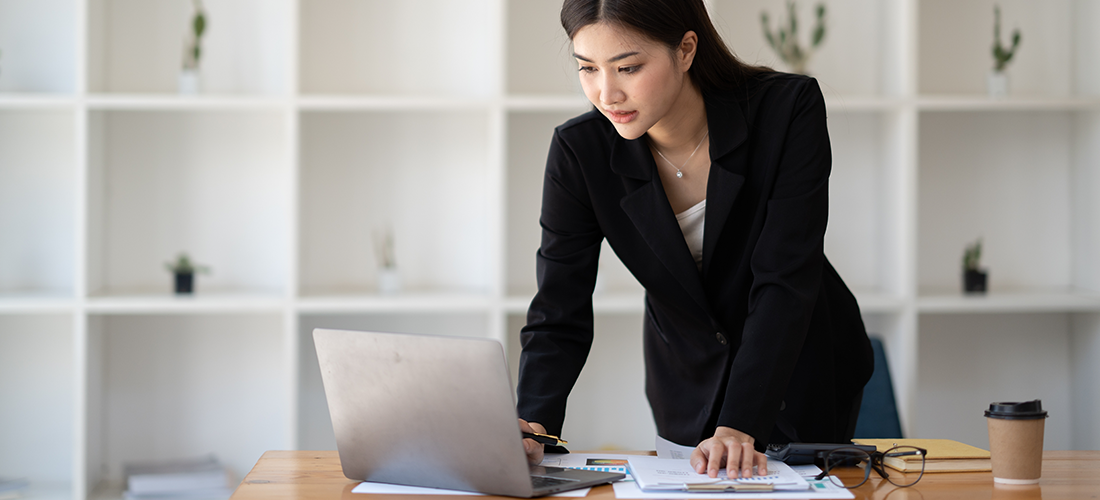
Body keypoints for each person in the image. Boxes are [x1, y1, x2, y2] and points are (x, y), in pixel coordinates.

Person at [514, 0, 875, 480]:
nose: (606, 93)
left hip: (797, 370)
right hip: (685, 383)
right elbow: (559, 307)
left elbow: (784, 278)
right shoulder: (580, 152)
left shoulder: (786, 110)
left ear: (685, 49)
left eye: (628, 67)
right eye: (587, 69)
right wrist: (532, 424)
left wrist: (740, 423)